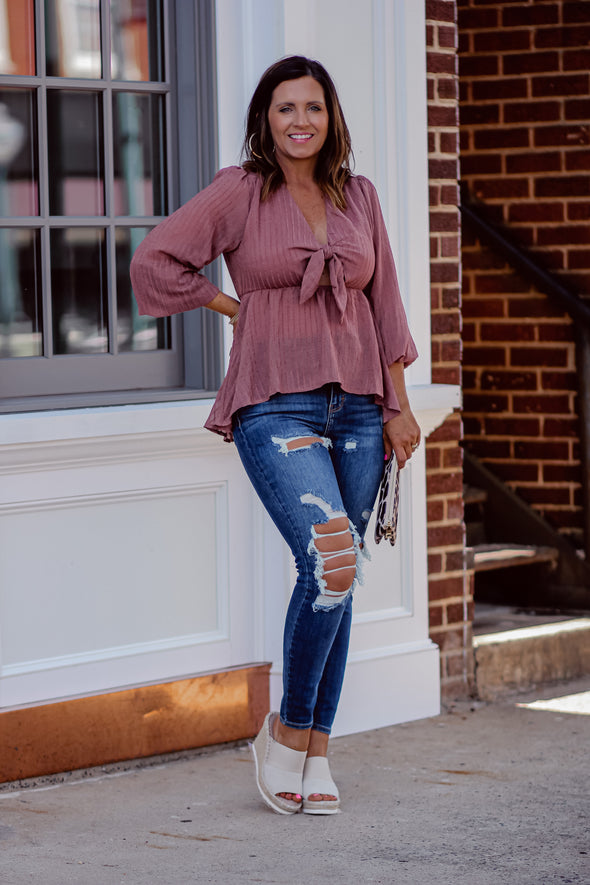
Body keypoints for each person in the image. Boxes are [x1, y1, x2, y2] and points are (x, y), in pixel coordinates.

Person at [130, 55, 420, 816]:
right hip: (275, 405)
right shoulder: (241, 190)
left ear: (331, 117)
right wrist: (238, 310)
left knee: (344, 573)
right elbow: (155, 260)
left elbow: (386, 303)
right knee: (329, 561)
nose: (301, 121)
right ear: (266, 118)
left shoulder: (358, 195)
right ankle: (287, 731)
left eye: (313, 108)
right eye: (286, 108)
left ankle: (316, 747)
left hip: (359, 406)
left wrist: (399, 403)